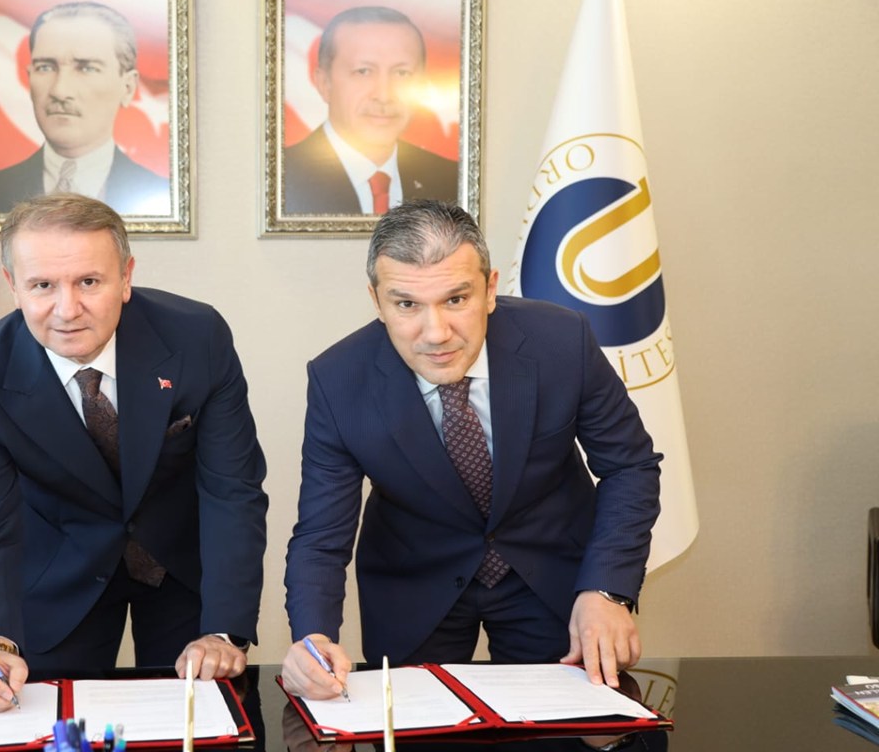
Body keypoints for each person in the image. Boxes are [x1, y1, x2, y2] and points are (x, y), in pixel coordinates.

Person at [281, 200, 661, 699]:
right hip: (415, 583)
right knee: (420, 729)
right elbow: (321, 534)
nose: (436, 333)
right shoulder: (337, 380)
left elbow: (630, 466)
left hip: (552, 576)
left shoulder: (562, 341)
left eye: (456, 299)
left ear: (490, 289)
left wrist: (606, 588)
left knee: (560, 726)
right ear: (376, 301)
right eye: (406, 304)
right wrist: (312, 637)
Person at [0, 193, 267, 712]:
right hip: (59, 569)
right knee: (50, 728)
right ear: (12, 286)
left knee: (203, 720)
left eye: (89, 282)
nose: (67, 309)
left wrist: (224, 630)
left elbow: (232, 490)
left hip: (178, 566)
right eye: (42, 285)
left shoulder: (197, 337)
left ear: (125, 277)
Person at [0, 2, 170, 216]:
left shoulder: (160, 194)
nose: (60, 91)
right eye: (45, 67)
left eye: (87, 68)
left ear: (128, 88)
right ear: (30, 78)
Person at [283, 6, 459, 216]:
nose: (384, 95)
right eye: (364, 71)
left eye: (402, 73)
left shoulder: (452, 181)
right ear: (324, 83)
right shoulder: (282, 178)